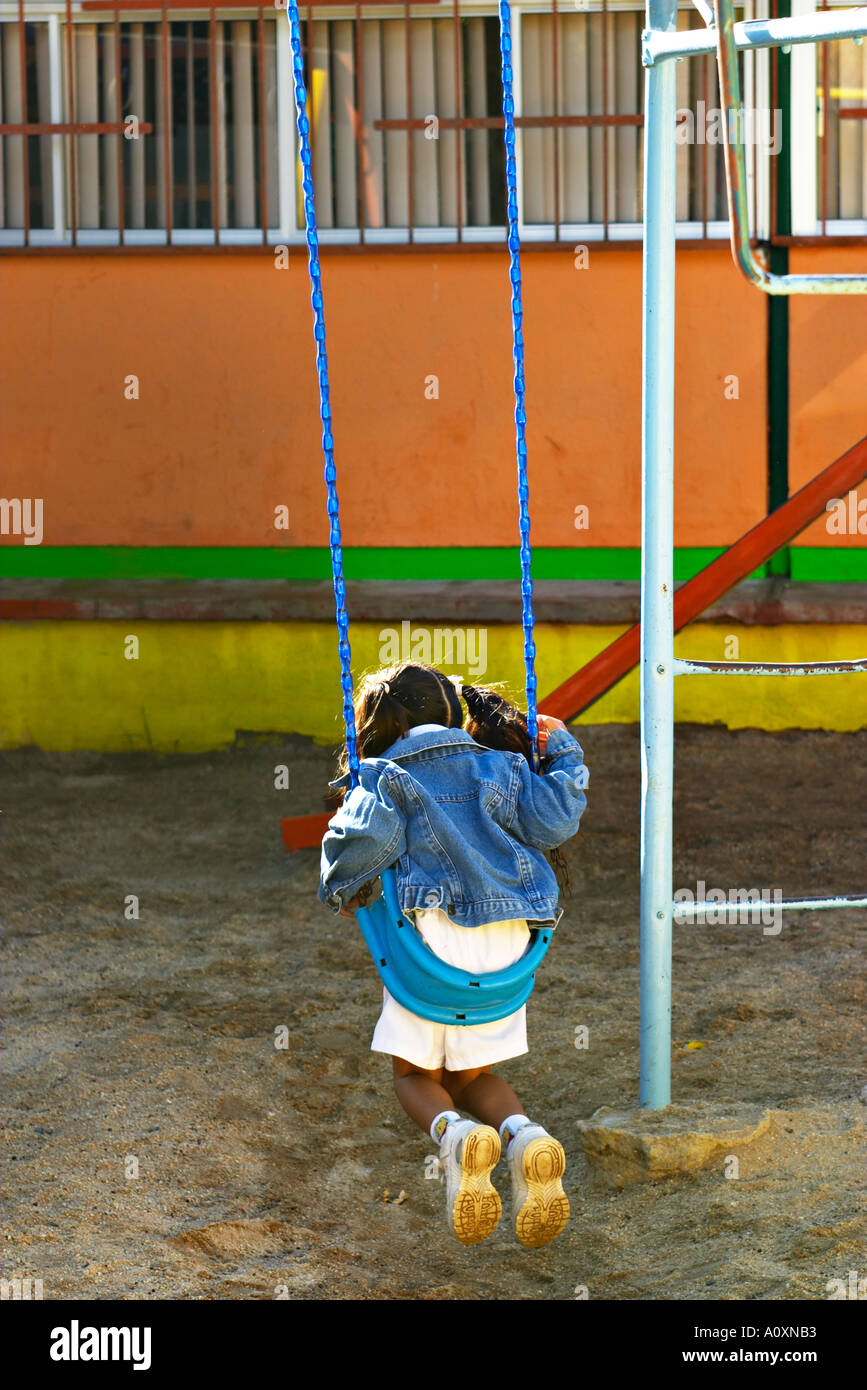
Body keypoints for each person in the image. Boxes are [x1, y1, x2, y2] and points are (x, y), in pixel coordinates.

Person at [319, 662, 588, 1247]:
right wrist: (561, 747)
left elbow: (366, 843)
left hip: (433, 945)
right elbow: (556, 819)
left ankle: (457, 1138)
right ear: (454, 716)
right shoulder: (503, 766)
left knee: (415, 1075)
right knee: (475, 1074)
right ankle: (524, 1135)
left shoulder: (385, 775)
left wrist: (340, 888)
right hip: (512, 944)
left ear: (381, 724)